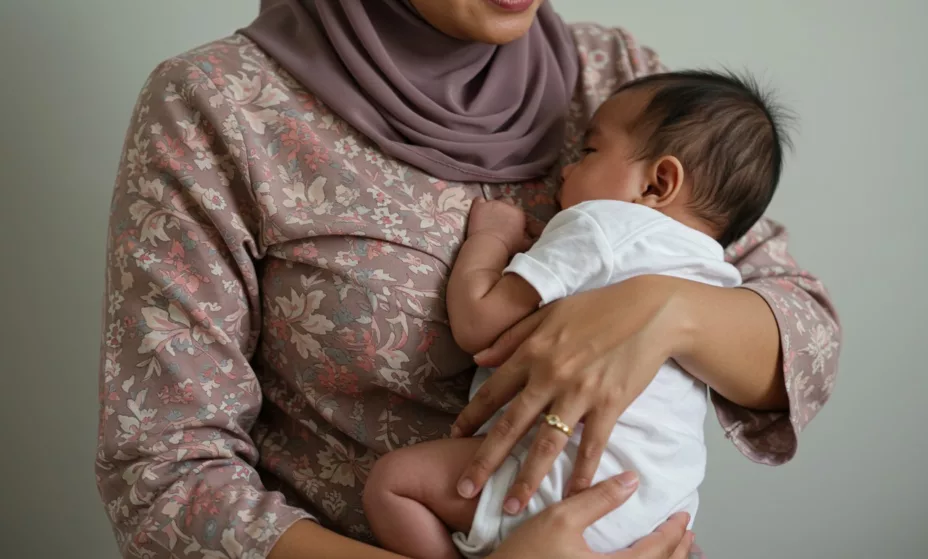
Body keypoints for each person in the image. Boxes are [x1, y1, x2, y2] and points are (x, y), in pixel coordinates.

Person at [94, 1, 841, 558]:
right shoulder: (218, 107)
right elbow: (164, 478)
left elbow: (801, 333)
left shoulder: (618, 81)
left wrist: (666, 310)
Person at [363, 70, 788, 559]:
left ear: (658, 182)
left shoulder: (600, 224)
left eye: (588, 153)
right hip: (655, 508)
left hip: (557, 480)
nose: (565, 171)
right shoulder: (718, 273)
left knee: (392, 485)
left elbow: (477, 324)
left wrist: (491, 240)